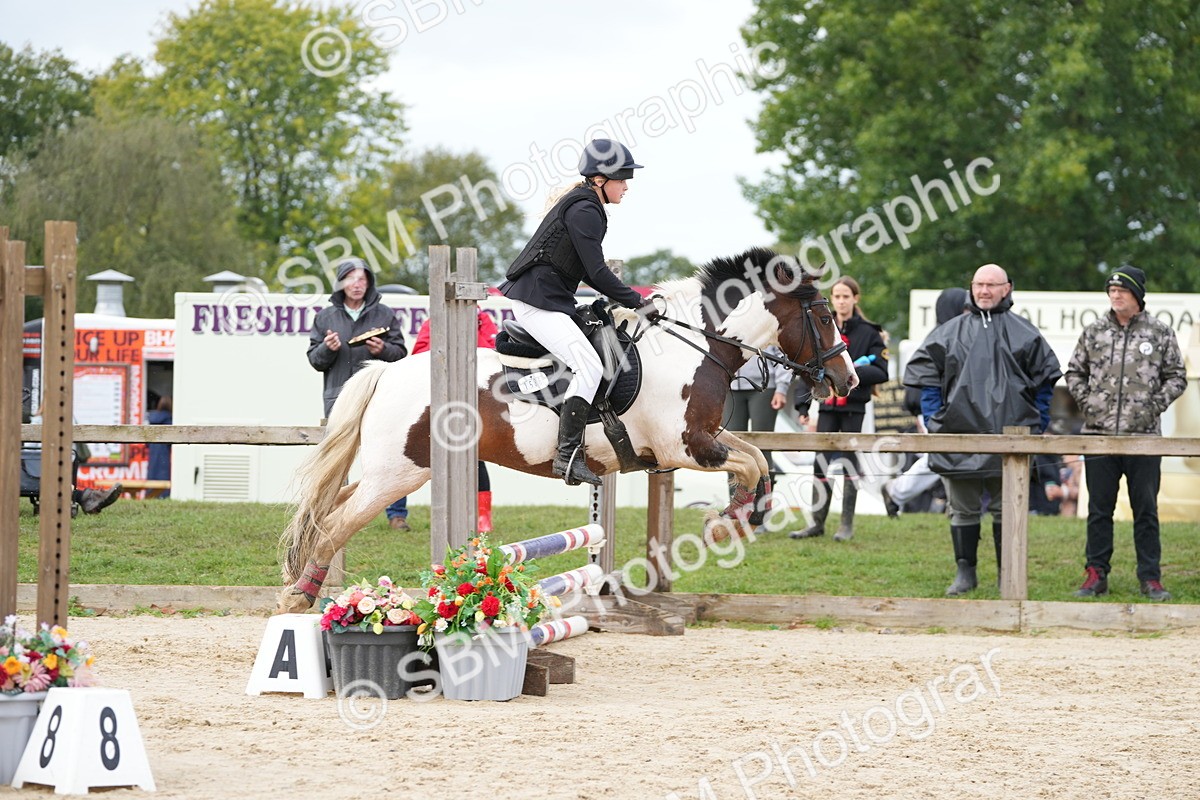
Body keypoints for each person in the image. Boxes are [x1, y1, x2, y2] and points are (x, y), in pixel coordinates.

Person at [499, 138, 658, 487]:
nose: (627, 186)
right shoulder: (586, 209)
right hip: (538, 301)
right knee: (590, 365)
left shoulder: (586, 205)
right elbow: (599, 273)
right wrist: (637, 301)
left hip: (547, 298)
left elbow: (586, 270)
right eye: (623, 179)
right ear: (601, 179)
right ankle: (567, 456)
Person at [904, 264, 1061, 596]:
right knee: (962, 508)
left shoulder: (1026, 333)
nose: (985, 291)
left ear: (1007, 288)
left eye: (992, 285)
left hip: (1010, 440)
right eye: (979, 285)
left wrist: (1038, 422)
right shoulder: (948, 333)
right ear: (971, 288)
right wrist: (934, 419)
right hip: (958, 436)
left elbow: (1046, 380)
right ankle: (966, 573)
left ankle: (1008, 574)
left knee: (1007, 509)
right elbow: (926, 375)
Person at [1064, 267, 1186, 601]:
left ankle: (1150, 578)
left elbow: (1177, 377)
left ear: (1137, 295)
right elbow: (1074, 372)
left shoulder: (1160, 333)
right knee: (1099, 510)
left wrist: (1152, 407)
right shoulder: (1094, 331)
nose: (1116, 296)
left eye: (1123, 290)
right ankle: (1095, 575)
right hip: (1099, 436)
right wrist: (1090, 405)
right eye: (1111, 290)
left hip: (1143, 437)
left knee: (1145, 509)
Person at [307, 257, 409, 528]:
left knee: (392, 453)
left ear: (369, 283)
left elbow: (401, 355)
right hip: (338, 398)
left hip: (379, 397)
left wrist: (382, 351)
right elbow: (315, 361)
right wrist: (327, 348)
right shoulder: (324, 317)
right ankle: (333, 510)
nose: (357, 284)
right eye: (351, 278)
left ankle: (396, 516)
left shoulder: (384, 314)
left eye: (362, 279)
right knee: (339, 455)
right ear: (341, 283)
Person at [789, 276, 888, 542]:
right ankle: (816, 523)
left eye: (846, 296)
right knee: (820, 463)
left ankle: (846, 525)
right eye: (837, 296)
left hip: (854, 408)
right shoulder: (822, 326)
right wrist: (802, 405)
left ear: (855, 299)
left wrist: (850, 372)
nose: (841, 301)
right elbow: (806, 366)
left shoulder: (870, 332)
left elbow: (882, 371)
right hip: (828, 408)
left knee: (848, 464)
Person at [881, 288, 969, 517]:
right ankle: (898, 492)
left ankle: (954, 505)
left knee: (947, 455)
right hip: (934, 408)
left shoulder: (950, 335)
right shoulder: (941, 338)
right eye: (965, 307)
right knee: (942, 455)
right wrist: (929, 415)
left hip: (943, 408)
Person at [410, 309, 499, 533]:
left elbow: (491, 354)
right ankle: (446, 514)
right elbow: (419, 356)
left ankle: (483, 518)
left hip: (476, 399)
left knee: (477, 456)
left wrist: (474, 327)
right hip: (441, 398)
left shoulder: (483, 320)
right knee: (441, 459)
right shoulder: (435, 321)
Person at [726, 345, 792, 506]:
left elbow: (784, 355)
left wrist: (782, 389)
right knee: (732, 450)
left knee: (762, 449)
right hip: (730, 387)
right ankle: (736, 510)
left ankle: (761, 512)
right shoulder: (720, 320)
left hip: (764, 386)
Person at [147, 395, 172, 499]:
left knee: (152, 477)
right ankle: (164, 497)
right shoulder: (170, 420)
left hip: (153, 453)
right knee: (164, 478)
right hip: (164, 453)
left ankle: (150, 496)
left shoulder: (151, 419)